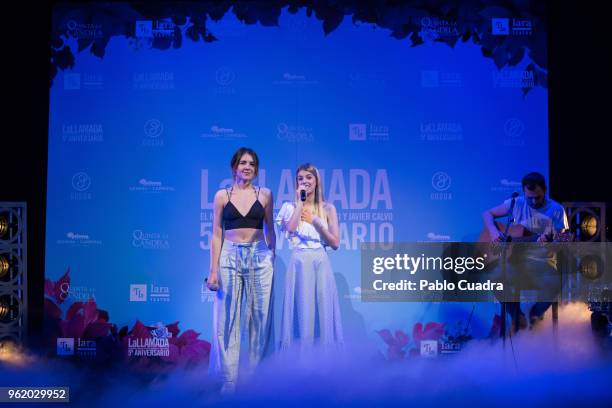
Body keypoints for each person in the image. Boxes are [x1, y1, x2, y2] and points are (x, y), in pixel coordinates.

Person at [206, 147, 275, 393]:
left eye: (252, 164)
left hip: (259, 255)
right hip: (230, 256)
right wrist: (212, 271)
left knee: (260, 317)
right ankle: (229, 379)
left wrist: (272, 254)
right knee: (227, 318)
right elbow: (216, 233)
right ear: (234, 166)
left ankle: (256, 378)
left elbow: (270, 229)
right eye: (243, 162)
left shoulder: (265, 194)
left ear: (256, 169)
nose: (247, 167)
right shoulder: (221, 196)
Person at [482, 172, 569, 330]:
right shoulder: (516, 203)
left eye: (538, 197)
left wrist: (551, 241)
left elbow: (561, 241)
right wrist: (494, 233)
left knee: (558, 281)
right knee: (494, 276)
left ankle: (535, 314)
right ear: (524, 192)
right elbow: (487, 214)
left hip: (543, 264)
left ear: (545, 191)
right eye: (530, 198)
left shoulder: (556, 210)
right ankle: (517, 316)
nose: (534, 201)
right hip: (516, 262)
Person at [276, 163, 344, 351]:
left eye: (308, 177)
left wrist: (315, 221)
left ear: (316, 181)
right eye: (300, 178)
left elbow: (335, 243)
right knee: (302, 311)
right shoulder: (289, 206)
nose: (304, 181)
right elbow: (289, 229)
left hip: (321, 260)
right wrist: (300, 203)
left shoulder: (328, 208)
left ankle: (326, 362)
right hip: (299, 260)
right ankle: (300, 361)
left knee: (323, 309)